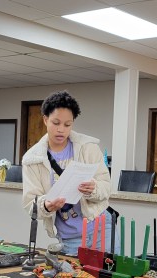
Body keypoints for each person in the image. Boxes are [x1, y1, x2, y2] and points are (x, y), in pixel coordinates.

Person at [22, 90, 115, 256]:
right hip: (70, 236)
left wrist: (93, 188)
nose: (61, 130)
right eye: (56, 123)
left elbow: (106, 188)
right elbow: (31, 204)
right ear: (45, 119)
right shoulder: (32, 159)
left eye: (67, 125)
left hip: (102, 230)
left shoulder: (88, 147)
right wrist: (46, 205)